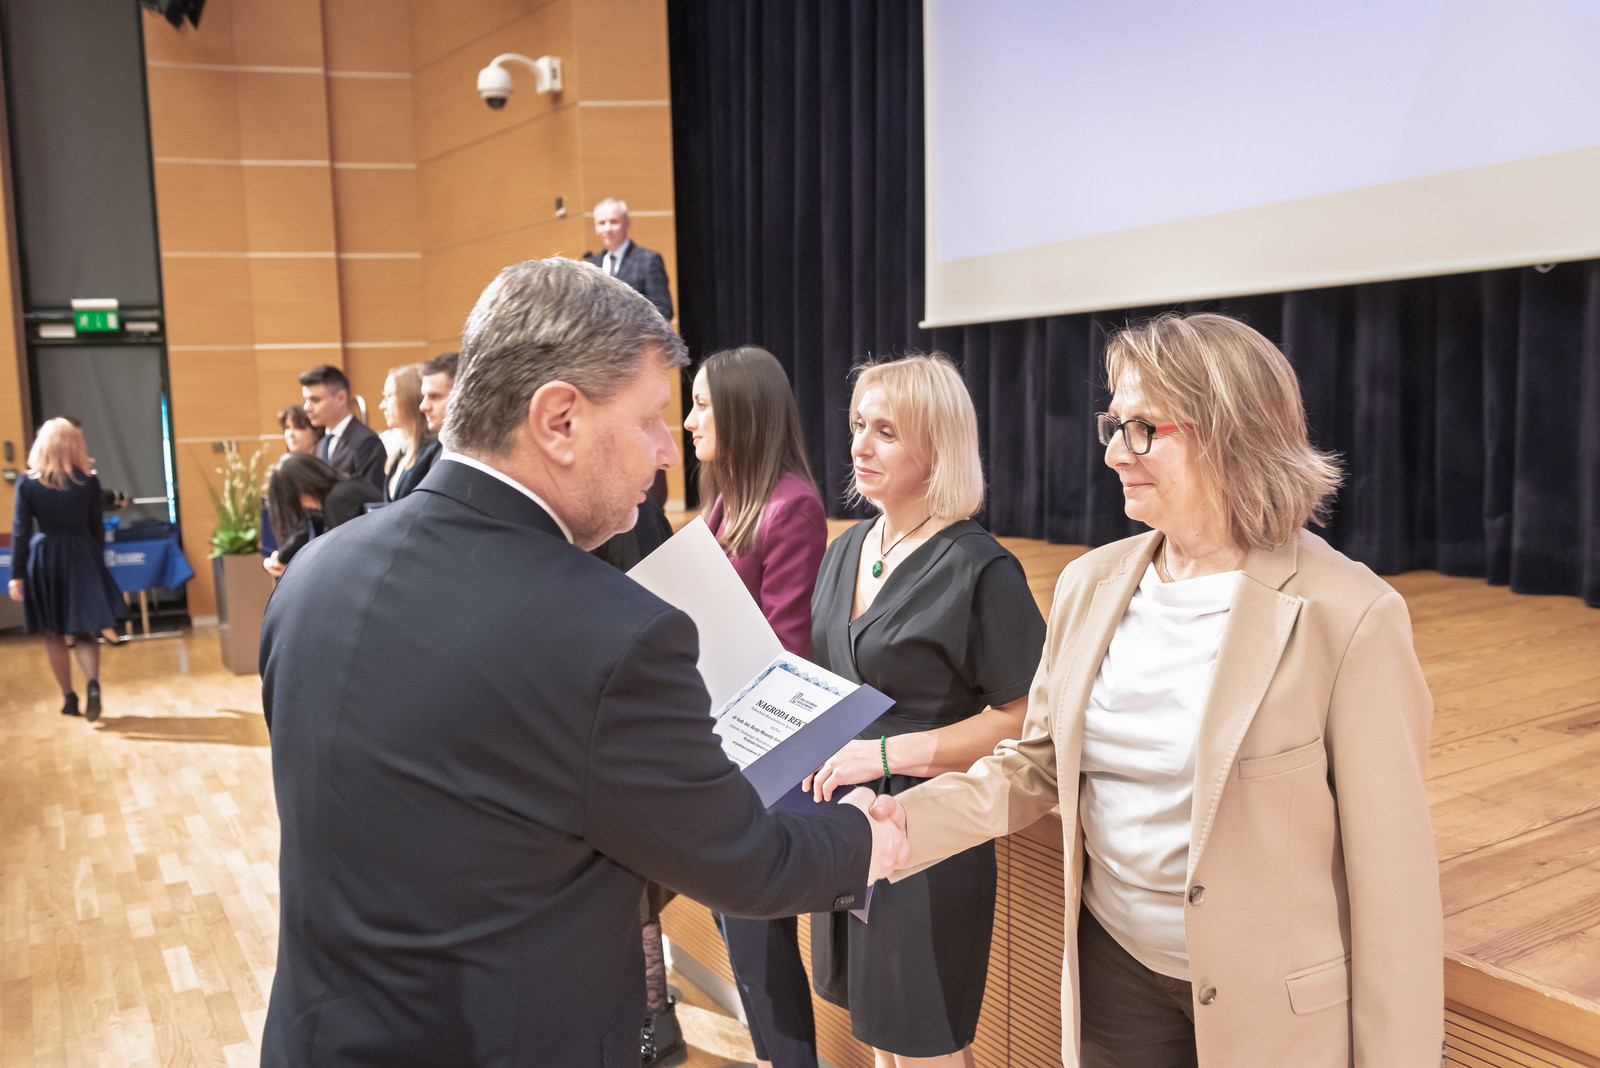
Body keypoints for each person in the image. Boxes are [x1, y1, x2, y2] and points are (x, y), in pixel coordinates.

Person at [258, 256, 907, 1068]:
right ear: (559, 420)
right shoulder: (610, 634)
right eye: (650, 419)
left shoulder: (311, 576)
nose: (667, 451)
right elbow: (744, 861)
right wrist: (864, 837)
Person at [883, 313, 1444, 1067]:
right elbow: (1037, 766)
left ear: (1232, 434)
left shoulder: (1350, 616)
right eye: (1113, 425)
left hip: (1271, 1013)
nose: (1115, 452)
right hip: (1114, 975)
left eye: (1143, 428)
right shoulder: (1088, 584)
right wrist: (898, 826)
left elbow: (1393, 884)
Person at [805, 354, 1047, 1068]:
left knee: (923, 1045)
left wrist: (885, 755)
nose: (860, 444)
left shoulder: (980, 567)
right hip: (847, 815)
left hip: (930, 826)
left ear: (938, 449)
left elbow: (1025, 719)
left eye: (886, 431)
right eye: (859, 424)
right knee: (880, 1034)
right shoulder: (845, 548)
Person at [684, 345, 828, 1068]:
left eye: (702, 405)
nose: (689, 421)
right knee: (742, 947)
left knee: (761, 952)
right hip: (722, 744)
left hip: (763, 754)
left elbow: (786, 646)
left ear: (743, 411)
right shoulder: (728, 499)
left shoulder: (791, 504)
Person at [7, 418, 128, 722]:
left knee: (54, 633)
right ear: (75, 445)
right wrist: (95, 563)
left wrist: (16, 575)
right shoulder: (88, 482)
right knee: (85, 630)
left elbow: (21, 532)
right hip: (81, 556)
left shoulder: (28, 483)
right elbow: (97, 528)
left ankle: (69, 698)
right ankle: (93, 684)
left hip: (44, 558)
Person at [261, 453, 380, 578]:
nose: (303, 506)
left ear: (303, 488)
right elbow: (302, 536)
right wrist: (278, 558)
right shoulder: (346, 488)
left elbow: (342, 559)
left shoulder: (339, 499)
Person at [585, 197, 673, 321]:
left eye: (614, 222)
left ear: (627, 223)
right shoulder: (592, 264)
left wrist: (624, 320)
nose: (607, 228)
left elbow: (663, 311)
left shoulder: (649, 260)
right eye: (602, 223)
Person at [300, 364, 385, 490]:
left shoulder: (366, 442)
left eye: (315, 400)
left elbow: (372, 496)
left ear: (341, 398)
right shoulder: (322, 444)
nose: (306, 407)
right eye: (306, 400)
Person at [395, 351, 455, 500]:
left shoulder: (476, 454)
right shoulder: (440, 450)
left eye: (434, 396)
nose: (423, 406)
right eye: (424, 397)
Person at [378, 363, 429, 502]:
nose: (382, 405)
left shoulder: (433, 451)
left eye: (388, 396)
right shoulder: (401, 449)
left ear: (410, 398)